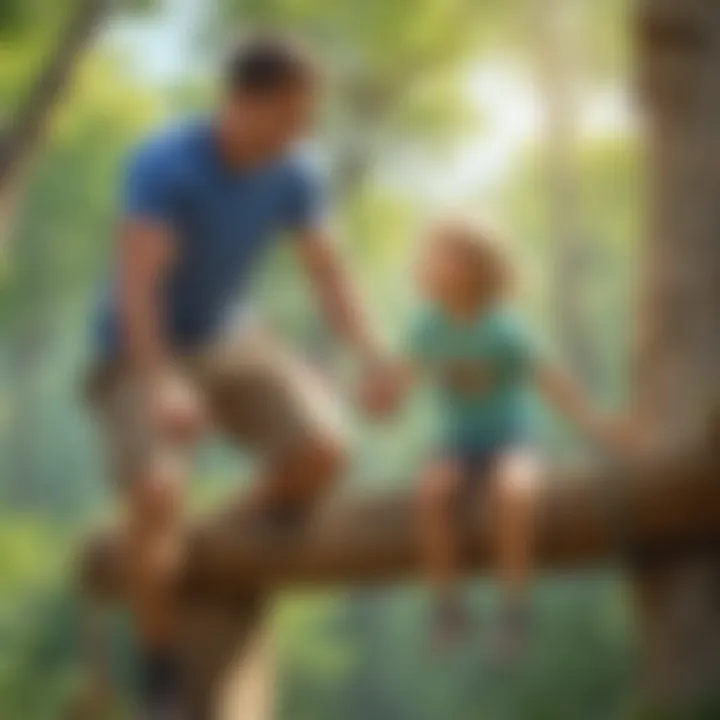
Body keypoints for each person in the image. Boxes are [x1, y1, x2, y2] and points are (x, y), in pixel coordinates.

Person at [86, 34, 388, 716]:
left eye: (307, 117)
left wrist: (372, 353)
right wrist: (161, 383)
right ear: (240, 105)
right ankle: (159, 665)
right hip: (140, 344)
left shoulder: (295, 171)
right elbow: (138, 287)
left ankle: (203, 539)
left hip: (230, 338)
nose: (301, 131)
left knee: (324, 452)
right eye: (288, 115)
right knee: (158, 490)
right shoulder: (165, 164)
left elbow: (328, 270)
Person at [363, 218, 641, 662]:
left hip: (512, 438)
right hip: (456, 442)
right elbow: (396, 387)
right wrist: (379, 400)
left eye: (445, 255)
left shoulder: (504, 330)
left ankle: (513, 610)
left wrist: (597, 425)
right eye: (430, 256)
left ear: (477, 267)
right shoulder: (425, 328)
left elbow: (550, 382)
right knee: (432, 491)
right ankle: (447, 607)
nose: (431, 264)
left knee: (513, 493)